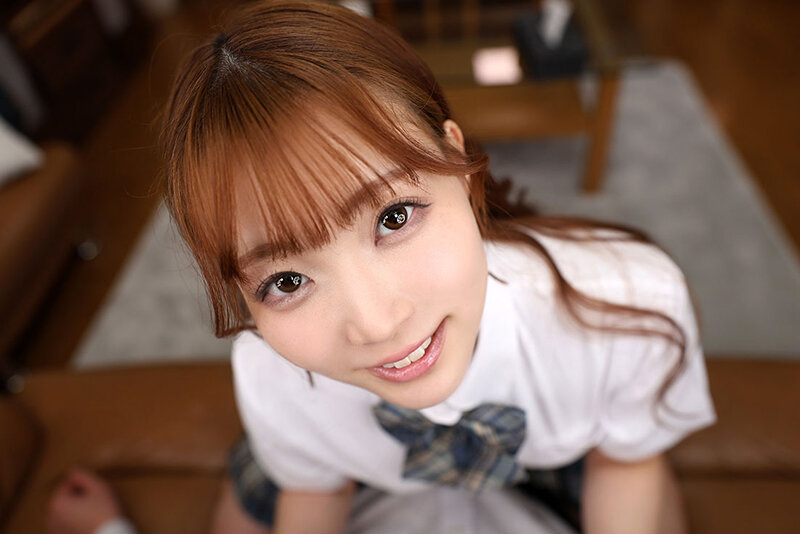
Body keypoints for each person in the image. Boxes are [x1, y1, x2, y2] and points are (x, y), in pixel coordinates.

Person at [48, 1, 715, 532]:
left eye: (393, 218)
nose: (377, 325)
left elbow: (626, 463)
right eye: (286, 281)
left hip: (564, 454)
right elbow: (317, 489)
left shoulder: (627, 306)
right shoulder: (276, 373)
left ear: (457, 162)